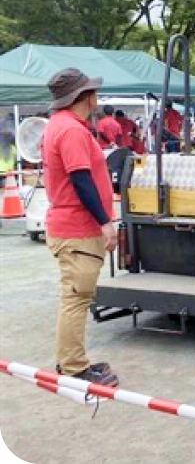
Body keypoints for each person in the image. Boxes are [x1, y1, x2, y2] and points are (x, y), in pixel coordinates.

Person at [40, 68, 119, 386]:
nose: (97, 96)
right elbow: (81, 180)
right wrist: (105, 222)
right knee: (76, 298)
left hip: (70, 225)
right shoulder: (71, 130)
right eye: (92, 91)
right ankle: (73, 367)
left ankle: (70, 361)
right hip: (78, 227)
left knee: (74, 296)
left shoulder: (58, 125)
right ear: (84, 97)